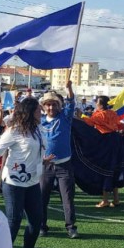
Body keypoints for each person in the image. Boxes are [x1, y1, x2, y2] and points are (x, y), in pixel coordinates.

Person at [0, 97, 48, 248]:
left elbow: (34, 152)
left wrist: (44, 161)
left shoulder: (38, 129)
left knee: (36, 221)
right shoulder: (13, 131)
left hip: (33, 182)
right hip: (14, 182)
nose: (41, 113)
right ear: (28, 112)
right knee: (14, 221)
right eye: (37, 110)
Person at [39, 82, 78, 239]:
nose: (51, 108)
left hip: (64, 165)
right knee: (42, 197)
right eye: (48, 105)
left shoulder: (65, 117)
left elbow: (71, 101)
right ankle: (42, 225)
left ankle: (71, 226)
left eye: (54, 104)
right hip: (45, 166)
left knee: (67, 198)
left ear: (59, 106)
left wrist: (68, 88)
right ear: (43, 107)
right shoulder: (39, 121)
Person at [83, 95, 124, 207]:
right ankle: (116, 199)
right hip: (116, 140)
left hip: (106, 142)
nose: (96, 104)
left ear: (100, 104)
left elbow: (89, 123)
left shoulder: (100, 115)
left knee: (106, 168)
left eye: (97, 103)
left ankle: (105, 200)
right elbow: (120, 124)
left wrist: (79, 117)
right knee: (115, 168)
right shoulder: (112, 113)